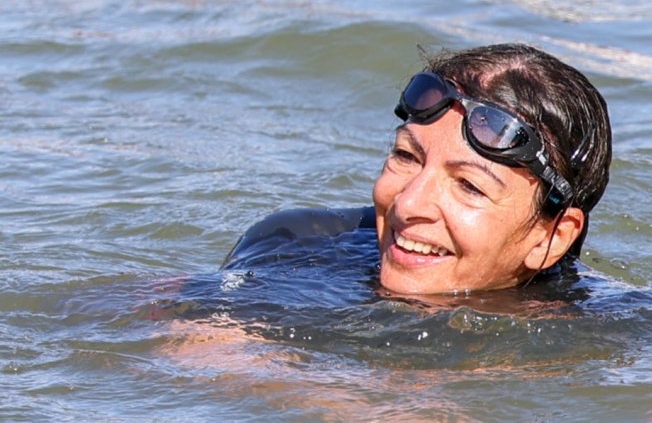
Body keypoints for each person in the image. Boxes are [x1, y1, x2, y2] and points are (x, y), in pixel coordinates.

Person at [223, 42, 612, 297]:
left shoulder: (613, 333)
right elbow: (189, 335)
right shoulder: (292, 248)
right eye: (407, 157)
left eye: (469, 186)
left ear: (553, 238)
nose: (408, 205)